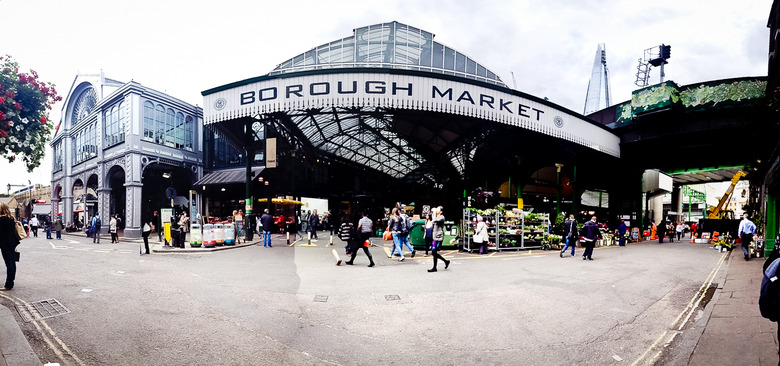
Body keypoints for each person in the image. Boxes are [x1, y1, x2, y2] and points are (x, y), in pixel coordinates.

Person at [0, 203, 19, 291]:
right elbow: (13, 233)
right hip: (12, 244)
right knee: (12, 263)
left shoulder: (1, 220)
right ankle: (11, 282)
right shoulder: (11, 219)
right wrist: (15, 245)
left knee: (9, 264)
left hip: (5, 245)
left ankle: (8, 285)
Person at [428, 206, 451, 272]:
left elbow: (434, 220)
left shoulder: (441, 217)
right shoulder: (436, 216)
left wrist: (434, 213)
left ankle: (441, 264)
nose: (436, 210)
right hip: (434, 237)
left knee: (434, 252)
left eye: (438, 209)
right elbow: (433, 219)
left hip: (439, 237)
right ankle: (443, 263)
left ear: (440, 211)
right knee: (434, 252)